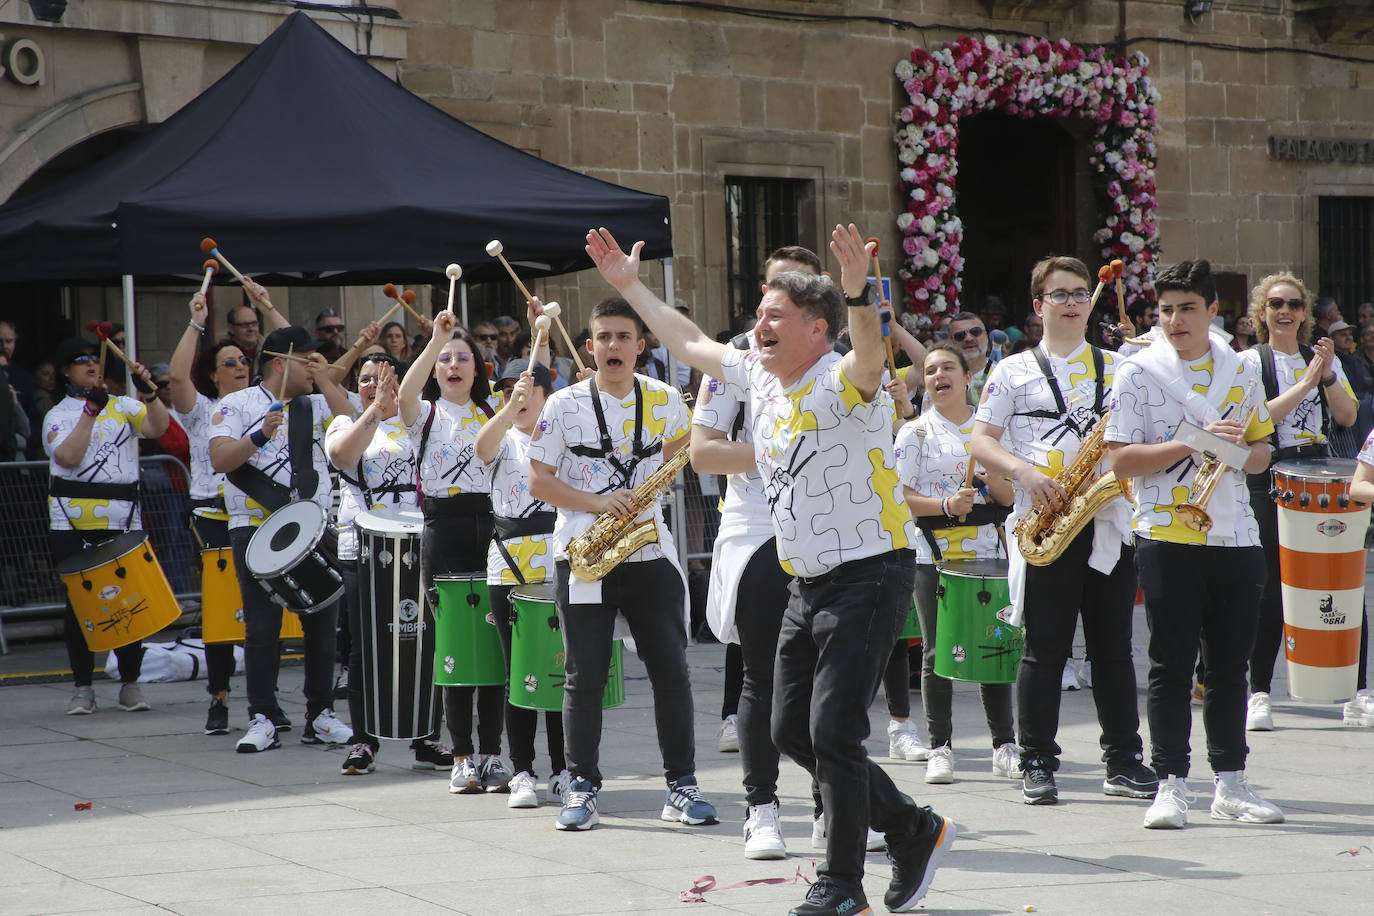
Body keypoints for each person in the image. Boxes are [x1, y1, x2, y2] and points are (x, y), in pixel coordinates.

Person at [585, 223, 952, 916]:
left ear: (817, 328)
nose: (760, 326)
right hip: (804, 578)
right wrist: (629, 287)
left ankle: (842, 887)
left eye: (774, 316)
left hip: (871, 571)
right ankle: (912, 829)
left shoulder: (846, 378)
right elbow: (688, 341)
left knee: (834, 733)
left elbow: (871, 351)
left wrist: (858, 289)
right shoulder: (758, 372)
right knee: (788, 729)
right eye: (758, 315)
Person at [1105, 258, 1284, 829]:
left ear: (1213, 311)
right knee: (1170, 664)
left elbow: (1261, 453)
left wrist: (1233, 450)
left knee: (1230, 665)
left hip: (1237, 536)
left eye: (1187, 308)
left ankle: (1231, 783)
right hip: (1164, 532)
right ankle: (1170, 785)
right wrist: (1190, 443)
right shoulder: (1139, 372)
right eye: (1166, 309)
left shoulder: (1242, 370)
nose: (1175, 319)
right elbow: (1120, 459)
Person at [527, 296, 716, 835]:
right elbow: (539, 478)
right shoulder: (563, 405)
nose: (613, 346)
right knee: (583, 676)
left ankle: (681, 785)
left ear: (640, 346)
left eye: (622, 337)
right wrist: (599, 503)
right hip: (584, 553)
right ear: (589, 346)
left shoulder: (663, 400)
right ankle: (581, 785)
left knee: (671, 672)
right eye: (603, 337)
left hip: (650, 551)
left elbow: (686, 455)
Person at [971, 255, 1154, 807]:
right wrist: (1024, 473)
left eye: (1079, 293)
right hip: (1045, 519)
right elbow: (980, 441)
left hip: (1106, 519)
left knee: (1114, 650)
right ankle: (1037, 761)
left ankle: (1122, 760)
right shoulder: (1010, 370)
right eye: (1060, 294)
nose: (1073, 302)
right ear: (1038, 305)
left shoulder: (1120, 366)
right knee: (1044, 652)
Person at [208, 322, 356, 753]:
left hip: (310, 526)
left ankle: (321, 714)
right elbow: (220, 458)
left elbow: (351, 424)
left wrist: (326, 379)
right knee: (262, 625)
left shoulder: (316, 404)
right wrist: (259, 436)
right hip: (254, 527)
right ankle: (263, 715)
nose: (314, 365)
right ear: (279, 362)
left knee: (322, 622)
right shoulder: (235, 405)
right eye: (306, 359)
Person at [1238, 274, 1358, 732]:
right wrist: (1306, 382)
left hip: (1322, 474)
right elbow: (1256, 421)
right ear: (1261, 312)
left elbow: (1346, 415)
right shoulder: (1249, 361)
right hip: (1271, 477)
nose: (1284, 311)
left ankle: (1356, 689)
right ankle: (1260, 691)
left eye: (1292, 303)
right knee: (1271, 586)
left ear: (1305, 312)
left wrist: (1325, 375)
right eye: (1274, 304)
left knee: (1341, 581)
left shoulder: (1323, 360)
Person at [896, 344, 1019, 785]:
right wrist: (947, 503)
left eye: (948, 367)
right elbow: (901, 498)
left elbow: (1008, 499)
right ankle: (940, 746)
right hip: (934, 555)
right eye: (930, 370)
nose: (938, 375)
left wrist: (994, 481)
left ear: (968, 378)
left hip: (990, 552)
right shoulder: (915, 434)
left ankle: (1005, 745)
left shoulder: (987, 434)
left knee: (996, 645)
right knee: (937, 650)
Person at [324, 352, 452, 774]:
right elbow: (343, 456)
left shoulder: (420, 425)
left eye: (380, 379)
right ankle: (364, 740)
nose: (370, 385)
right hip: (363, 549)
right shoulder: (346, 422)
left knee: (426, 642)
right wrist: (376, 411)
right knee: (365, 648)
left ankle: (426, 737)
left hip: (420, 547)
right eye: (363, 379)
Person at [398, 315, 510, 794]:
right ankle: (460, 755)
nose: (453, 363)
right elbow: (403, 396)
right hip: (442, 529)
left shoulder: (492, 410)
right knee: (455, 650)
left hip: (491, 526)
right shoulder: (424, 413)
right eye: (446, 359)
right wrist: (434, 342)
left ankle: (492, 754)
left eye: (463, 356)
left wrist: (541, 339)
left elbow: (533, 400)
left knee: (495, 645)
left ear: (477, 367)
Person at [47, 336, 170, 714]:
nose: (90, 365)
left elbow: (156, 428)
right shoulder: (58, 414)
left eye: (93, 360)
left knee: (130, 601)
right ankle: (83, 687)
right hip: (71, 523)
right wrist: (89, 413)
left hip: (122, 519)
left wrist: (150, 394)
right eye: (80, 361)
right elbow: (67, 456)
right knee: (80, 606)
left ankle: (130, 684)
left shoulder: (122, 406)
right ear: (67, 370)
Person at [474, 356, 570, 808]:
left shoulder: (564, 437)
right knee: (519, 673)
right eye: (511, 387)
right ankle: (523, 770)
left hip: (557, 562)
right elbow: (481, 445)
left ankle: (565, 767)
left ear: (547, 395)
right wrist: (506, 411)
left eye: (529, 387)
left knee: (560, 669)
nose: (520, 394)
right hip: (508, 565)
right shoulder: (502, 435)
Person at [168, 292, 252, 735]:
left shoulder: (263, 404)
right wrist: (196, 323)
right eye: (230, 362)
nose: (240, 367)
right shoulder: (202, 410)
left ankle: (265, 703)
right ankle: (218, 697)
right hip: (213, 516)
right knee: (221, 609)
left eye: (243, 360)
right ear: (215, 373)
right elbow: (176, 376)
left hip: (256, 515)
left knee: (262, 609)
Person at [947, 311, 992, 402]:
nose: (968, 339)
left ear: (986, 336)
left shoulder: (1003, 372)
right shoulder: (942, 378)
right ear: (951, 342)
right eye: (960, 335)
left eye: (975, 332)